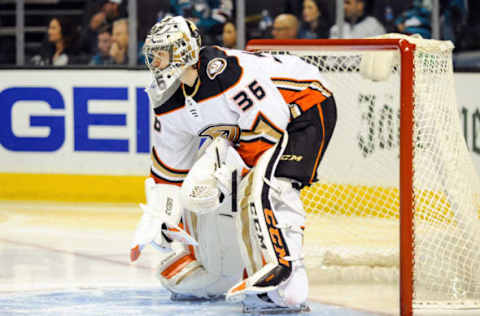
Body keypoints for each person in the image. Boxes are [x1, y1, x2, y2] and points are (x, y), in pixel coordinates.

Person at [130, 16, 337, 313]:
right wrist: (161, 217)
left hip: (304, 107)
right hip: (254, 127)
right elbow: (169, 172)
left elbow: (268, 132)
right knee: (202, 183)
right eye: (153, 53)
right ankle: (219, 270)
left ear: (184, 51)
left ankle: (287, 279)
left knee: (271, 185)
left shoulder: (228, 73)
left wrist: (225, 173)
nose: (154, 60)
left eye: (162, 52)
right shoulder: (167, 99)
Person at [169, 0, 233, 45]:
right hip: (181, 38)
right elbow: (167, 16)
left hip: (209, 39)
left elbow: (222, 17)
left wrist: (199, 23)